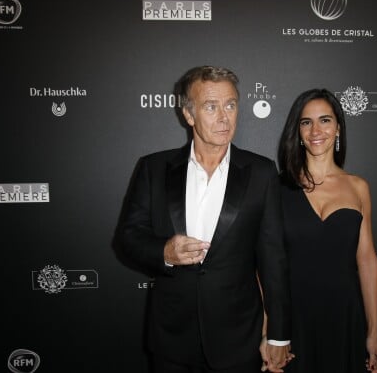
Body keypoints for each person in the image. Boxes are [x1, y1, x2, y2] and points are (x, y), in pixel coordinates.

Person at [119, 66, 292, 373]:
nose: (224, 117)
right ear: (189, 114)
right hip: (172, 339)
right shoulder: (154, 168)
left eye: (231, 105)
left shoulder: (262, 172)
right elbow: (128, 238)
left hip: (239, 339)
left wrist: (278, 335)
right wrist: (165, 252)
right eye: (211, 107)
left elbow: (273, 258)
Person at [277, 88, 377, 372]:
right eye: (306, 122)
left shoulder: (358, 187)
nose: (315, 130)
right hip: (293, 319)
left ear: (338, 127)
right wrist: (271, 331)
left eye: (325, 120)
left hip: (345, 316)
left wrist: (373, 332)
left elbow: (367, 261)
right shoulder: (277, 188)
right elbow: (265, 266)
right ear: (297, 131)